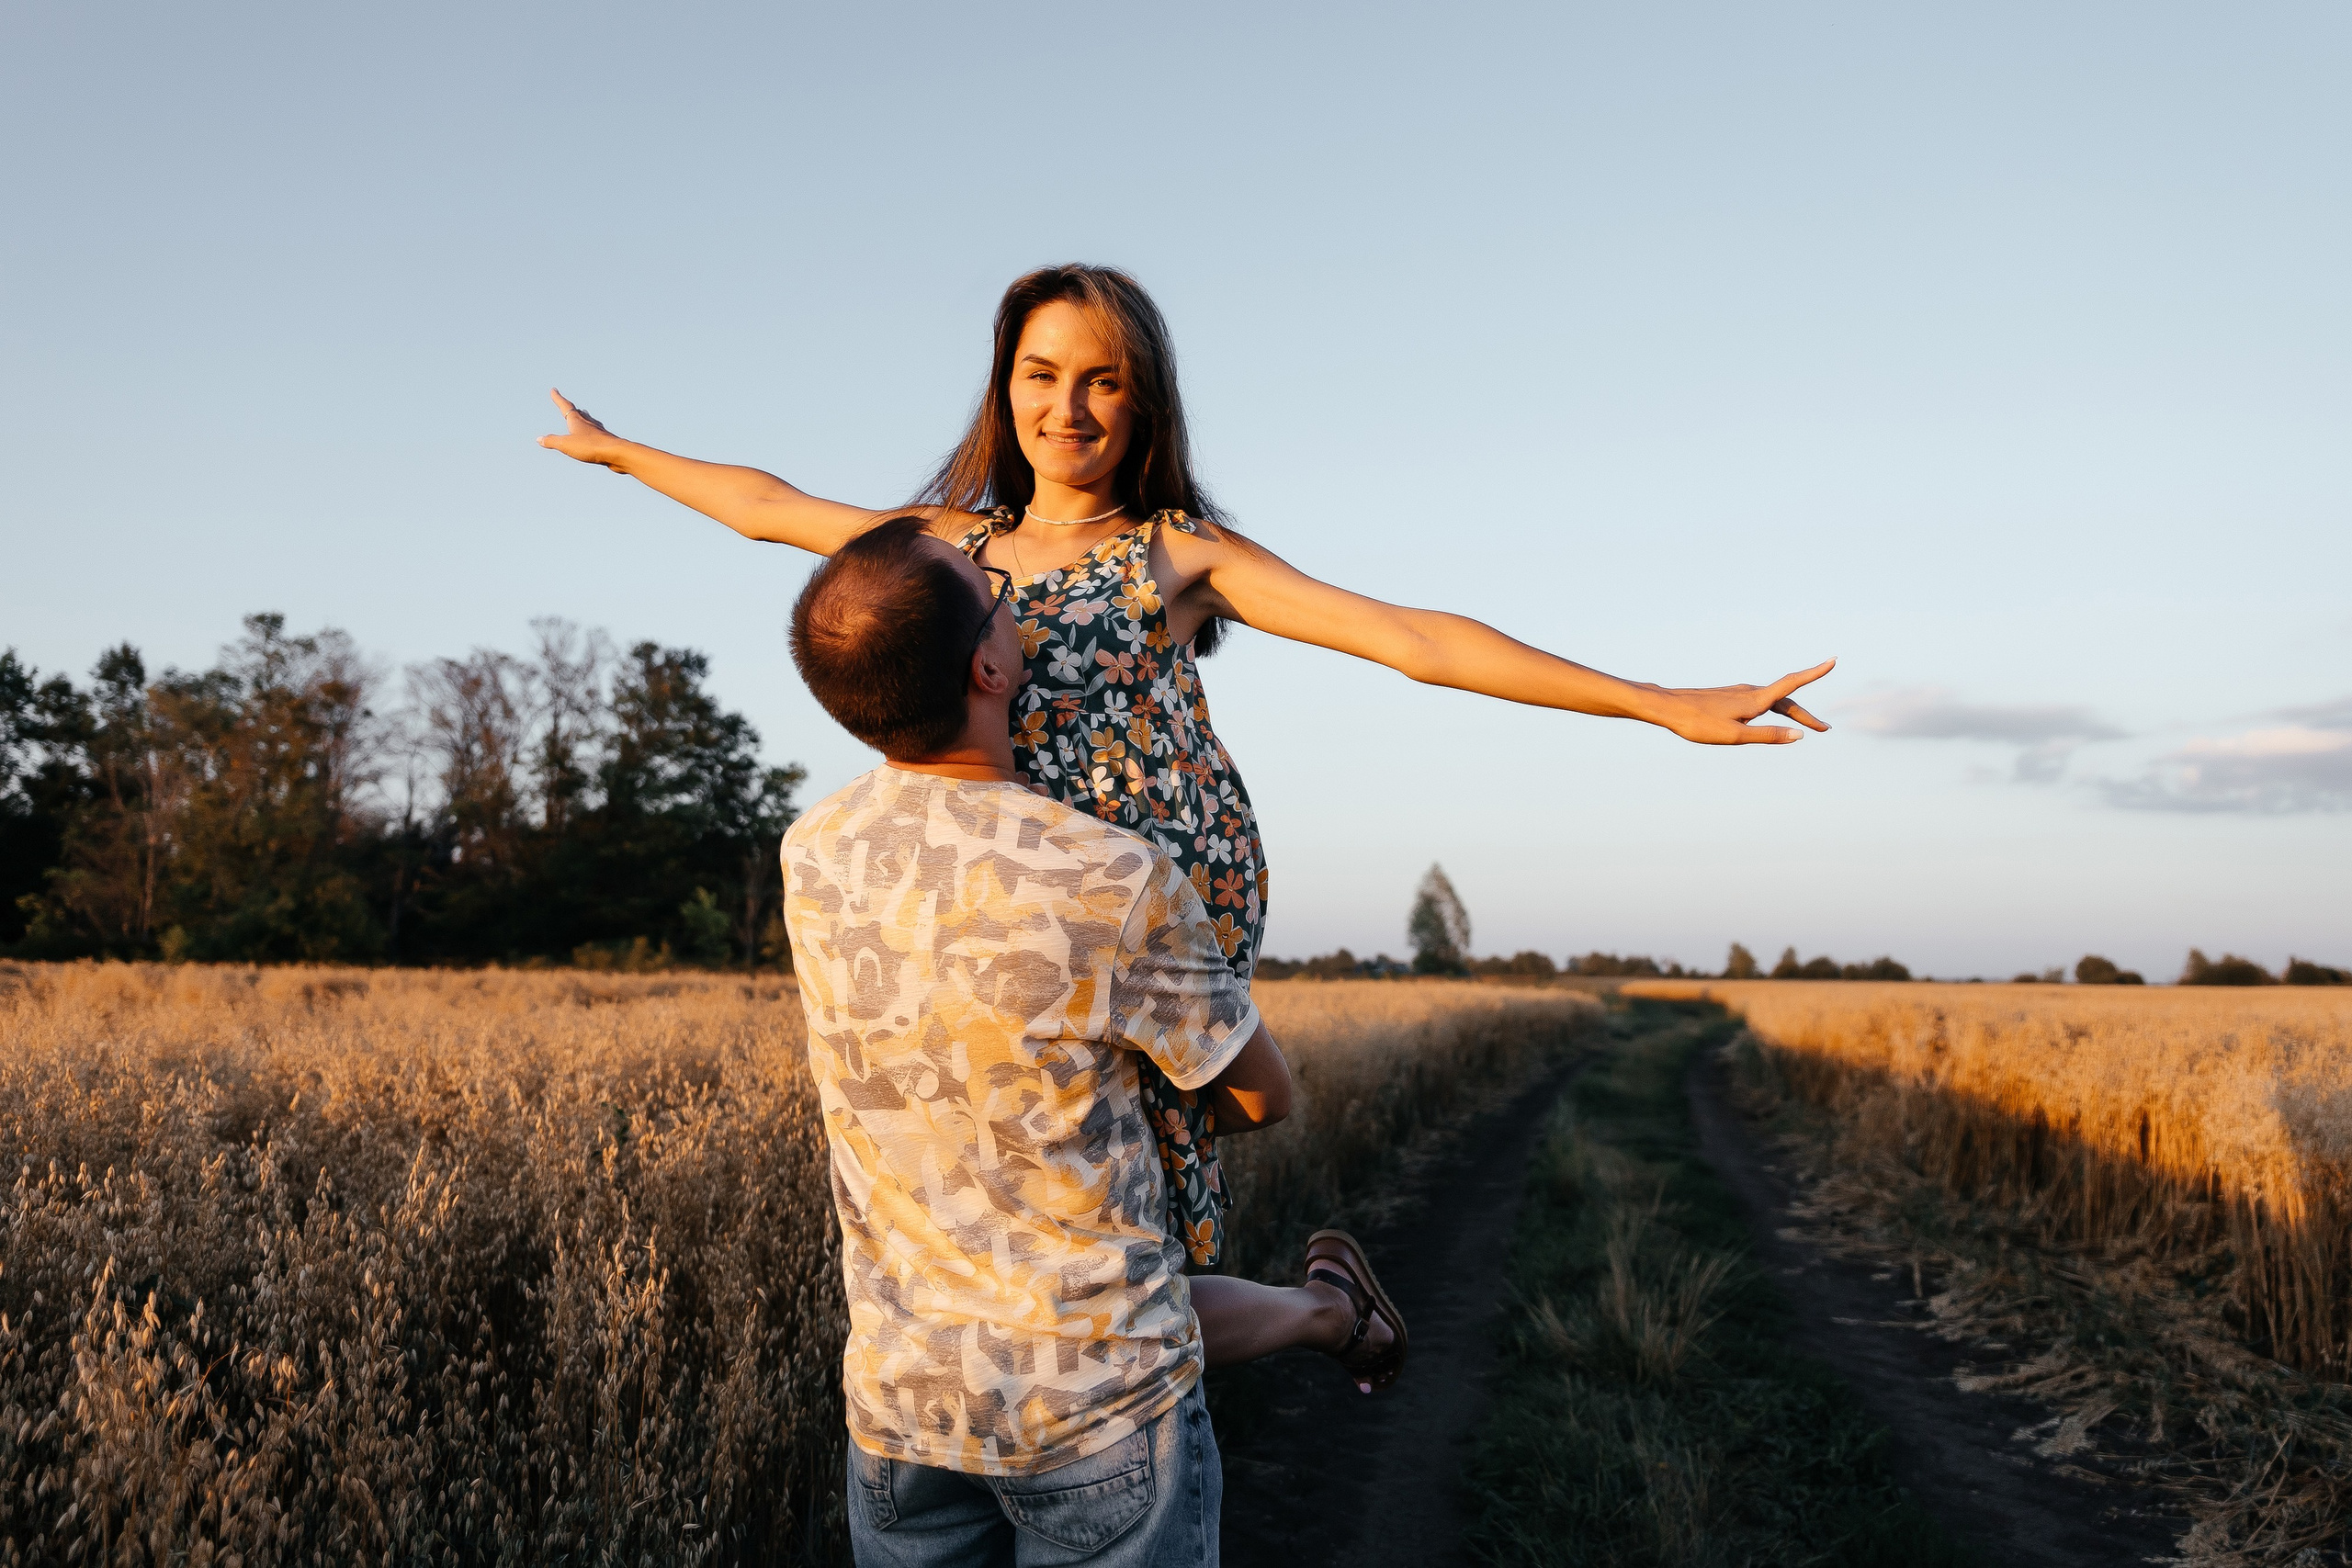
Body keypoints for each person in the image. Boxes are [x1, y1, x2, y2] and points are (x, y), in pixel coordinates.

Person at [539, 263, 1834, 1271]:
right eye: (1041, 374)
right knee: (1016, 1175)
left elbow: (1415, 640)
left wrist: (1658, 701)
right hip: (1004, 895)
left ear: (1143, 398)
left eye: (1102, 380)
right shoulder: (944, 542)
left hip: (1158, 894)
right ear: (1004, 386)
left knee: (1138, 1190)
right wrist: (620, 454)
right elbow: (773, 506)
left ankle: (1158, 1428)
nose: (1067, 407)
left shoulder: (1179, 552)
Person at [777, 518, 1401, 1564]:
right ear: (989, 663)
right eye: (991, 588)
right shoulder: (1110, 876)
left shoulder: (812, 851)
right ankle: (1328, 1315)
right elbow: (1263, 1098)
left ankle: (1325, 1315)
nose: (1011, 586)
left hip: (901, 1412)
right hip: (1098, 1422)